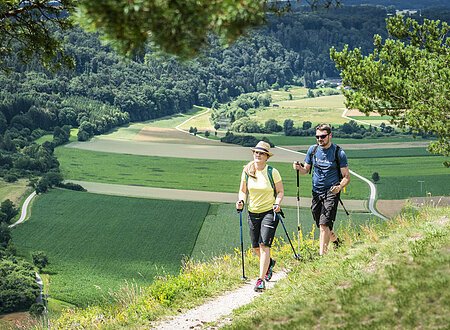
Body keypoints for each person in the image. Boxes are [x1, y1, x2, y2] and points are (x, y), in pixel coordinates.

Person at [293, 124, 350, 256]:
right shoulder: (312, 150)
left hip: (331, 192)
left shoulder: (338, 153)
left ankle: (322, 256)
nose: (320, 139)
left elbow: (346, 177)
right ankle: (336, 242)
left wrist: (339, 187)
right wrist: (298, 168)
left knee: (324, 224)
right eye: (317, 136)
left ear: (330, 136)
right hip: (316, 192)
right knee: (321, 223)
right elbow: (305, 170)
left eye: (323, 136)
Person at [236, 141, 284, 292]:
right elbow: (243, 190)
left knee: (264, 245)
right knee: (256, 248)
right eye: (256, 152)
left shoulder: (272, 172)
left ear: (266, 157)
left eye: (261, 153)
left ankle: (260, 280)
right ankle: (270, 264)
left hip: (269, 212)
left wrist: (277, 203)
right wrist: (241, 200)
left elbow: (280, 191)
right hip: (252, 212)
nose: (258, 155)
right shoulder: (247, 170)